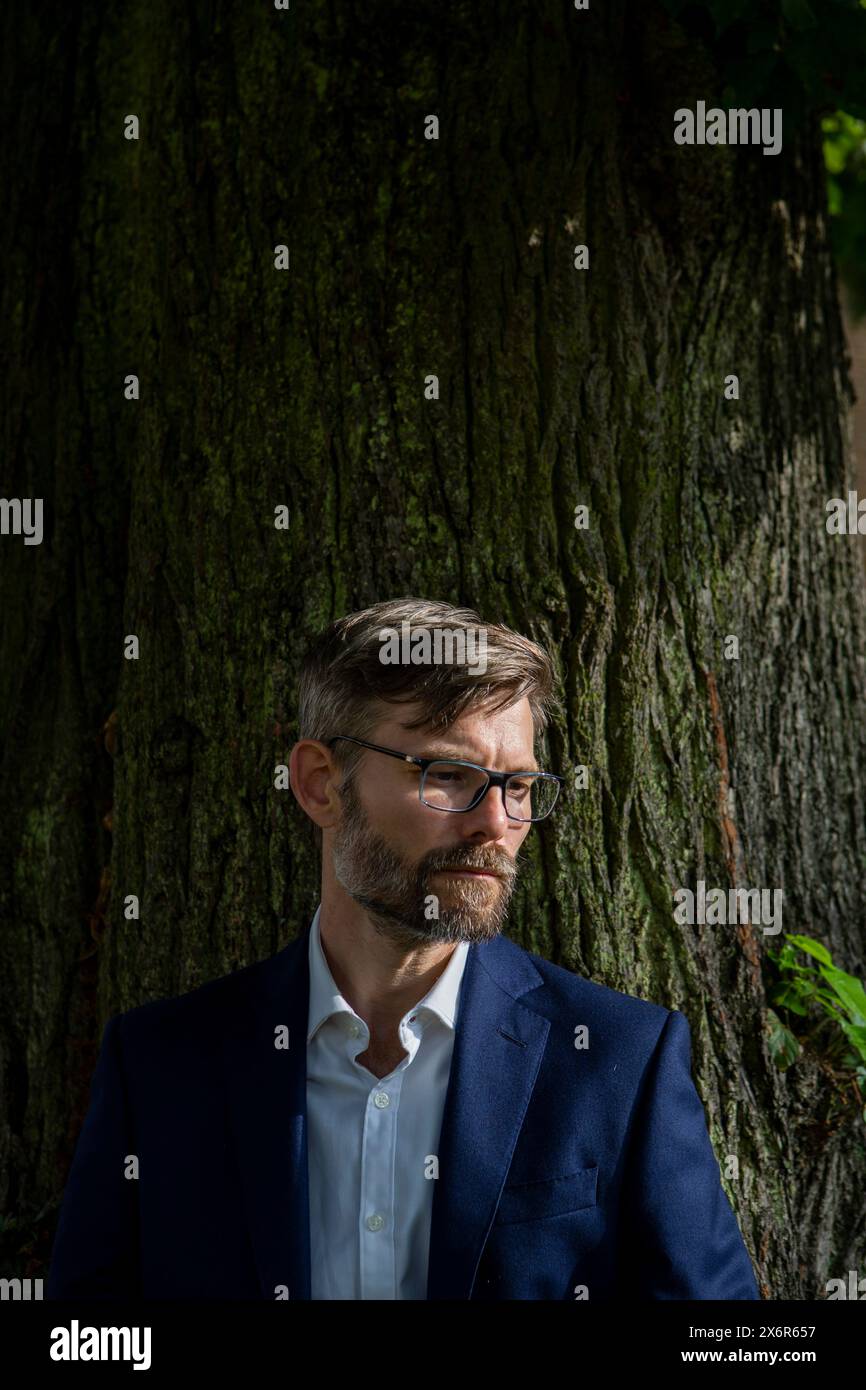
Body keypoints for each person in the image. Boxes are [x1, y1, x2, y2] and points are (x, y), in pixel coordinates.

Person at [46, 597, 760, 1300]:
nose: (495, 823)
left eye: (518, 786)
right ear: (321, 784)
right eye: (449, 775)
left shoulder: (617, 1061)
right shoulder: (161, 1065)